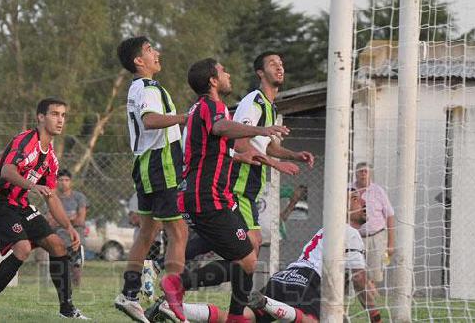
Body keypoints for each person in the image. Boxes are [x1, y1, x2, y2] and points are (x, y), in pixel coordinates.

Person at [163, 58, 290, 323]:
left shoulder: (201, 108)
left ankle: (235, 316)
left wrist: (242, 156)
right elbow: (221, 128)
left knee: (246, 255)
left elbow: (211, 147)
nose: (228, 74)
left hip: (213, 196)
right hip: (206, 196)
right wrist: (260, 129)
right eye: (223, 71)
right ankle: (179, 284)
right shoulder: (213, 106)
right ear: (212, 80)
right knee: (246, 259)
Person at [148, 189, 383, 323]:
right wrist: (375, 316)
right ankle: (267, 303)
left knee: (245, 317)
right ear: (341, 207)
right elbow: (360, 279)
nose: (363, 202)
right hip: (307, 281)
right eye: (355, 198)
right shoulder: (350, 232)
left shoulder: (328, 229)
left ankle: (172, 308)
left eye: (363, 200)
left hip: (285, 277)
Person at [0, 98, 89, 319]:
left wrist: (69, 227)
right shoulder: (25, 141)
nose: (60, 120)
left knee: (58, 245)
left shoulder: (52, 159)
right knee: (23, 248)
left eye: (63, 115)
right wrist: (33, 186)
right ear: (40, 117)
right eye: (55, 114)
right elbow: (7, 172)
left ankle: (67, 309)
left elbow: (51, 197)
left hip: (20, 205)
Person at [114, 37, 191, 323]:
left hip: (147, 163)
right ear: (138, 60)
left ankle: (129, 294)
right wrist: (184, 117)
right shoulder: (146, 88)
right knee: (179, 233)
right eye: (150, 50)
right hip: (161, 162)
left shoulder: (141, 87)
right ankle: (171, 300)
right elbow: (149, 120)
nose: (157, 53)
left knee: (147, 233)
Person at [228, 52, 315, 255]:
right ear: (260, 72)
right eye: (273, 64)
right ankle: (181, 275)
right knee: (250, 247)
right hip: (239, 182)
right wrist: (275, 164)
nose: (279, 68)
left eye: (281, 64)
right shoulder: (254, 102)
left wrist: (294, 155)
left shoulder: (270, 107)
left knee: (249, 247)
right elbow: (240, 142)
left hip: (251, 184)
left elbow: (266, 145)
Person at [352, 162, 396, 289]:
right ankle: (359, 296)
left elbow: (390, 215)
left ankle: (371, 299)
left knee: (375, 273)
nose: (363, 174)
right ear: (355, 173)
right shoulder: (349, 190)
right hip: (356, 237)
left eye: (366, 171)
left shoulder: (378, 191)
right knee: (357, 271)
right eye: (361, 171)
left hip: (376, 237)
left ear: (370, 173)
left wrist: (391, 244)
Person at [45, 168, 88, 287]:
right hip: (57, 232)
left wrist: (61, 219)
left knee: (75, 238)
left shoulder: (79, 197)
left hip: (75, 232)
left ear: (71, 182)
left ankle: (76, 282)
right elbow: (50, 221)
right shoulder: (51, 197)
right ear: (56, 182)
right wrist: (70, 219)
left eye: (66, 180)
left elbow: (80, 220)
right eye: (61, 180)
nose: (64, 182)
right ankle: (64, 278)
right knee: (58, 236)